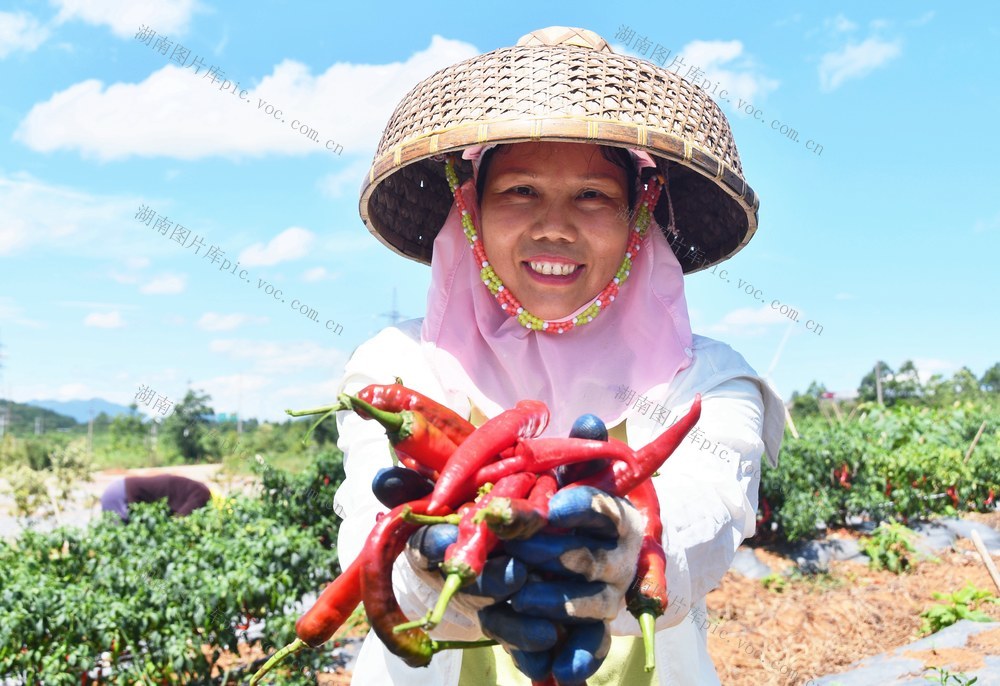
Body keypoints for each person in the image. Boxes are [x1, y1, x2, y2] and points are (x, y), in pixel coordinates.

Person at [333, 26, 786, 685]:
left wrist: (624, 550)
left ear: (639, 213)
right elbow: (365, 535)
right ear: (470, 207)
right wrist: (426, 570)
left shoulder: (709, 380)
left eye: (593, 195)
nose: (555, 225)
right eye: (519, 190)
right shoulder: (397, 368)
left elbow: (709, 515)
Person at [100, 473, 212, 523]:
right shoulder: (202, 495)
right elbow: (178, 522)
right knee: (119, 540)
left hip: (119, 487)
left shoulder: (196, 489)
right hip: (119, 494)